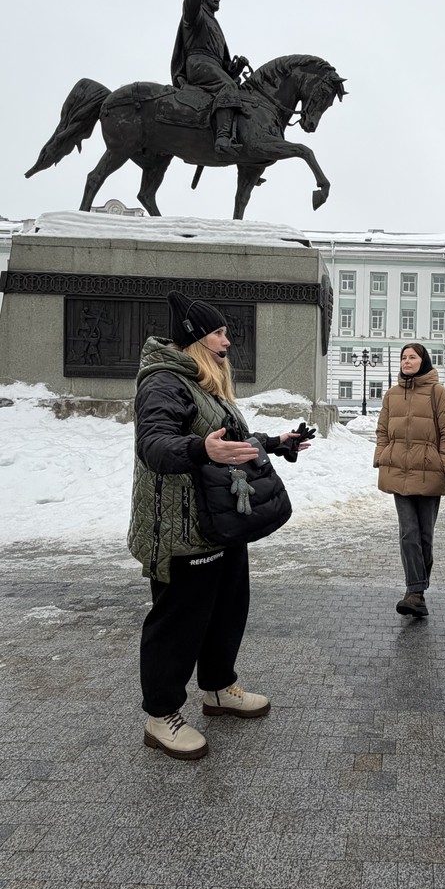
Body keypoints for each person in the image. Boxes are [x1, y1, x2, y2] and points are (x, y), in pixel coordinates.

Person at [128, 290, 307, 760]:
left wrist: (276, 442)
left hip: (220, 523)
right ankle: (161, 715)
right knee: (179, 622)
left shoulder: (203, 384)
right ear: (196, 339)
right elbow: (154, 444)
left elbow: (230, 440)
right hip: (181, 529)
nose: (228, 341)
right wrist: (199, 449)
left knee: (227, 609)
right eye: (219, 333)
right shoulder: (164, 381)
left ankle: (218, 688)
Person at [373, 343, 445, 617]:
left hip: (428, 473)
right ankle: (414, 592)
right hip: (399, 473)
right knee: (408, 533)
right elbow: (382, 431)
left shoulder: (439, 394)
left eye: (412, 357)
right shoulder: (392, 395)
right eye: (403, 357)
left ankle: (418, 591)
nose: (406, 361)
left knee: (425, 536)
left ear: (424, 361)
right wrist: (382, 457)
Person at [170, 0, 251, 156]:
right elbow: (191, 2)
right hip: (198, 64)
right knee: (228, 86)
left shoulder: (216, 25)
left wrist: (237, 67)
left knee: (239, 91)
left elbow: (224, 65)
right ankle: (222, 138)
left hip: (212, 67)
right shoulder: (195, 15)